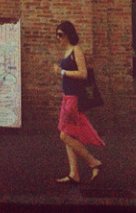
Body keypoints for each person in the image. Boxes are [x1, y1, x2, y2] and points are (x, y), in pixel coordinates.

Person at [52, 20, 104, 185]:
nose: (58, 38)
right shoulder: (67, 51)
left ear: (68, 34)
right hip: (67, 97)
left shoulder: (76, 50)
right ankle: (74, 174)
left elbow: (83, 74)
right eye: (56, 35)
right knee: (70, 134)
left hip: (74, 99)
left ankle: (93, 162)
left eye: (60, 35)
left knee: (64, 135)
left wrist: (62, 71)